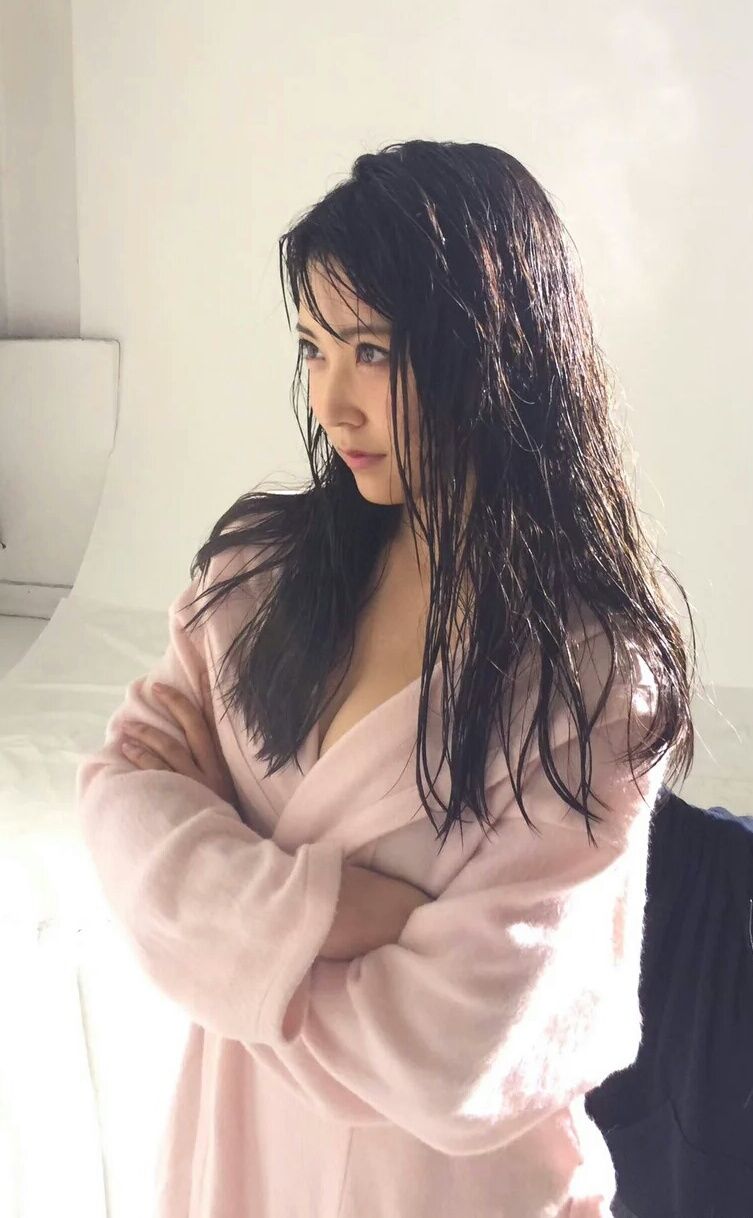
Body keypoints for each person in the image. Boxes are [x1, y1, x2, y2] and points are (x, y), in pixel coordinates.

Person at [77, 139, 697, 1217]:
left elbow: (462, 1049)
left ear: (497, 352)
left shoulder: (590, 680)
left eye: (372, 351)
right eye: (312, 347)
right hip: (244, 1166)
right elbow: (121, 794)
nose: (331, 401)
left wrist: (226, 952)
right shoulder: (259, 582)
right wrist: (330, 911)